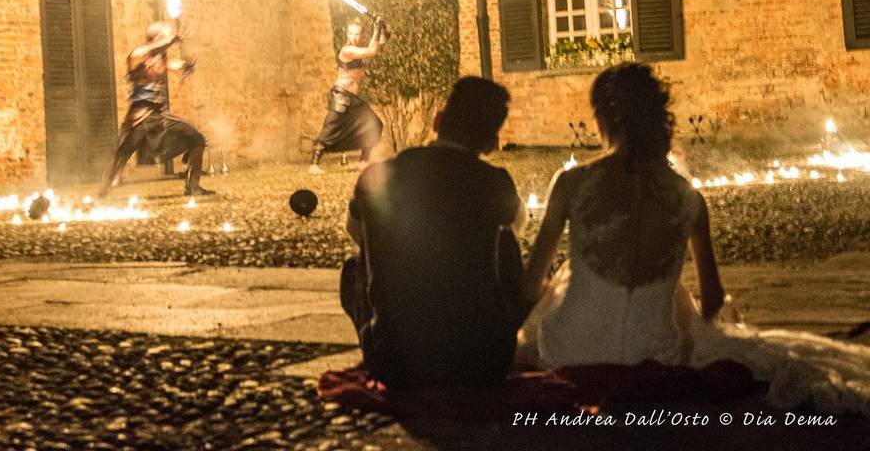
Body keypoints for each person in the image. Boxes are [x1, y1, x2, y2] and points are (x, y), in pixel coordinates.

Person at [519, 62, 870, 415]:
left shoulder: (572, 184)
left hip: (571, 351)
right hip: (656, 355)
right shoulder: (688, 198)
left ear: (603, 119)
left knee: (566, 274)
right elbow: (713, 299)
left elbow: (530, 286)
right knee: (675, 296)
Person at [340, 76, 530, 389]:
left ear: (438, 120)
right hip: (481, 361)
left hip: (395, 360)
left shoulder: (377, 175)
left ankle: (379, 331)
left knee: (353, 267)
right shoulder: (494, 182)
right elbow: (514, 236)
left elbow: (357, 233)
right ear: (489, 141)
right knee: (505, 240)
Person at [98, 21, 214, 198]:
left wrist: (188, 65)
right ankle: (103, 192)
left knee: (197, 139)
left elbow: (175, 66)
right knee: (122, 153)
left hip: (158, 116)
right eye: (165, 36)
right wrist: (174, 38)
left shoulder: (160, 59)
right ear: (157, 38)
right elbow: (153, 50)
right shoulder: (137, 54)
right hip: (139, 116)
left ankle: (193, 186)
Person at [309, 17, 387, 174]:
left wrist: (382, 30)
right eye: (351, 34)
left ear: (362, 34)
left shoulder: (358, 50)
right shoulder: (347, 51)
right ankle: (314, 165)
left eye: (357, 34)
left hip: (354, 101)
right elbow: (371, 51)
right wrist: (377, 30)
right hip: (341, 97)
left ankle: (363, 162)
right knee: (329, 130)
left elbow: (379, 44)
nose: (354, 37)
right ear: (347, 34)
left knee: (375, 125)